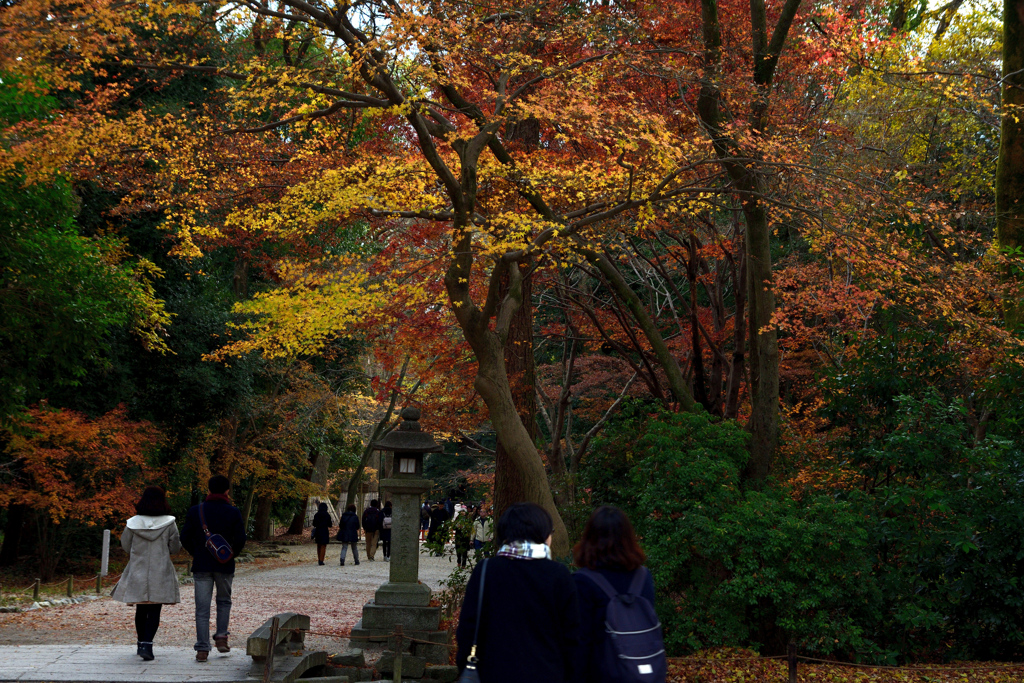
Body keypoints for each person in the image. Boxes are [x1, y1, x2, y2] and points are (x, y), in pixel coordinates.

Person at [456, 503, 580, 683]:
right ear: (544, 534)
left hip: (493, 672)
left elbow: (467, 628)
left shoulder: (486, 571)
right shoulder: (559, 575)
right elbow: (572, 637)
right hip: (547, 673)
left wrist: (466, 666)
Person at [572, 506, 661, 683]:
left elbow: (580, 642)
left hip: (600, 673)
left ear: (590, 538)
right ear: (628, 537)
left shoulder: (583, 581)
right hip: (641, 672)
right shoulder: (643, 577)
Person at [111, 486, 181, 662]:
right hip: (160, 568)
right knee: (155, 609)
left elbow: (126, 545)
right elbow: (175, 548)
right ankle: (148, 644)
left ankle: (141, 643)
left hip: (138, 568)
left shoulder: (132, 523)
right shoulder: (169, 523)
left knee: (141, 608)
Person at [181, 474, 246, 663]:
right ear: (227, 491)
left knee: (202, 608)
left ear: (208, 490)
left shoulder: (196, 511)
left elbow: (185, 537)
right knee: (224, 601)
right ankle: (221, 638)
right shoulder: (233, 512)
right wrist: (230, 554)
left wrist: (197, 553)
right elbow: (241, 538)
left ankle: (202, 649)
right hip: (224, 565)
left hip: (202, 565)